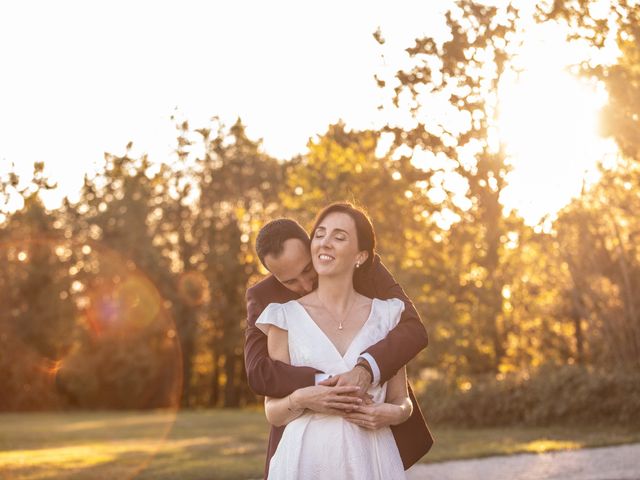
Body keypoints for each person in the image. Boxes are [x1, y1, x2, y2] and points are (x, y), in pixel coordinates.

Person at [244, 204, 433, 478]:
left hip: (370, 453)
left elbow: (413, 331)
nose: (306, 285)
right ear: (274, 277)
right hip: (304, 453)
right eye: (290, 282)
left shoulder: (373, 282)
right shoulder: (271, 306)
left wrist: (365, 370)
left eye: (307, 270)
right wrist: (321, 388)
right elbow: (260, 374)